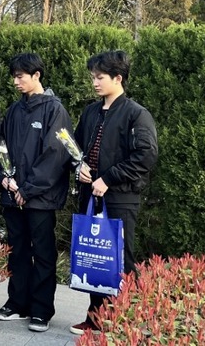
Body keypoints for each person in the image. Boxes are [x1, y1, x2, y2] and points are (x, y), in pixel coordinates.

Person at [69, 51, 158, 336]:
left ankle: (122, 322)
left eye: (100, 77)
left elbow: (145, 156)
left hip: (121, 197)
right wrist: (79, 166)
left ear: (118, 78)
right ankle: (96, 318)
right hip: (91, 195)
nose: (95, 83)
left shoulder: (136, 113)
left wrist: (108, 178)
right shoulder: (91, 112)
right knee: (94, 256)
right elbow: (77, 147)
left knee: (120, 259)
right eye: (93, 77)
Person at [0, 53, 73, 334]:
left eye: (20, 76)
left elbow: (56, 154)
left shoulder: (54, 110)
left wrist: (27, 189)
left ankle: (40, 311)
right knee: (17, 252)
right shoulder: (14, 110)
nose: (16, 82)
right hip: (13, 196)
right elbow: (0, 147)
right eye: (13, 77)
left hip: (40, 199)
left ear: (36, 75)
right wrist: (3, 177)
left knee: (43, 254)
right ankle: (17, 304)